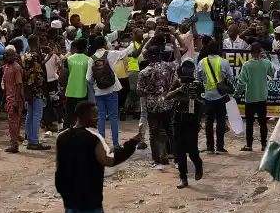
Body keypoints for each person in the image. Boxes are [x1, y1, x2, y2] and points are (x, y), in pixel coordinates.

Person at [55, 101, 141, 213]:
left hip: (70, 205)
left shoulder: (61, 137)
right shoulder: (94, 138)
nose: (98, 118)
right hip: (90, 204)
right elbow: (109, 160)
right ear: (84, 116)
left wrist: (65, 194)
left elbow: (59, 170)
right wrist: (131, 144)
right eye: (95, 114)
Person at [86, 35, 135, 147]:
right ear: (104, 44)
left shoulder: (91, 58)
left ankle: (102, 143)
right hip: (112, 89)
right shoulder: (111, 54)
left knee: (101, 116)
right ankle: (116, 143)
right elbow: (127, 51)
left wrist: (96, 82)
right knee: (113, 116)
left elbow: (88, 78)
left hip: (99, 91)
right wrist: (133, 42)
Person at [137, 41, 180, 170]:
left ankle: (157, 160)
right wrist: (173, 40)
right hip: (168, 104)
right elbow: (178, 59)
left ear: (149, 56)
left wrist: (151, 92)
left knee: (153, 134)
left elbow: (139, 92)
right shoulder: (169, 67)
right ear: (160, 55)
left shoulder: (144, 72)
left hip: (152, 106)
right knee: (171, 131)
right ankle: (177, 159)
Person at [165, 59, 204, 188]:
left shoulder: (198, 85)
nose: (187, 71)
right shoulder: (178, 82)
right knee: (179, 150)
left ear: (193, 70)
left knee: (192, 150)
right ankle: (183, 178)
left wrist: (195, 98)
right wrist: (179, 90)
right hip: (178, 121)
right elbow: (167, 96)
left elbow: (204, 104)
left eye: (190, 69)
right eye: (185, 68)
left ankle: (198, 165)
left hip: (191, 122)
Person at [195, 41, 234, 154]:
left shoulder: (202, 62)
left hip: (207, 96)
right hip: (221, 95)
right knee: (221, 120)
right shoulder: (224, 62)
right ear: (218, 50)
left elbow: (198, 79)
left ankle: (210, 147)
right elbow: (231, 78)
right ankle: (220, 147)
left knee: (208, 121)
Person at [236, 42, 274, 152]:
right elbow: (272, 73)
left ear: (251, 52)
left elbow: (241, 82)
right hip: (262, 97)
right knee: (263, 123)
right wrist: (267, 58)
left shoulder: (247, 65)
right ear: (260, 51)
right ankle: (264, 145)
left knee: (249, 123)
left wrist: (237, 94)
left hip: (250, 97)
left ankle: (249, 145)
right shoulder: (266, 63)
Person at [22, 34, 50, 150]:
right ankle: (34, 141)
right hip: (36, 89)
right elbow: (39, 72)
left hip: (28, 89)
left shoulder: (26, 55)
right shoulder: (36, 56)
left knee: (30, 114)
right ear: (36, 42)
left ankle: (29, 138)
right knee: (37, 115)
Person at [64, 39, 90, 129]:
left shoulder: (69, 59)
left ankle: (66, 132)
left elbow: (64, 75)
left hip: (70, 91)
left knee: (69, 114)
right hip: (83, 91)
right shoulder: (88, 60)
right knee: (82, 116)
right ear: (85, 48)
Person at [2, 46, 23, 153]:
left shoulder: (16, 67)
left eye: (9, 54)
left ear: (14, 56)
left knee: (13, 123)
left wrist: (15, 101)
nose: (7, 56)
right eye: (6, 54)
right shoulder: (5, 67)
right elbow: (5, 85)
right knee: (12, 123)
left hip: (15, 100)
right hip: (9, 99)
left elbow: (19, 85)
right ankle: (14, 142)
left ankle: (14, 145)